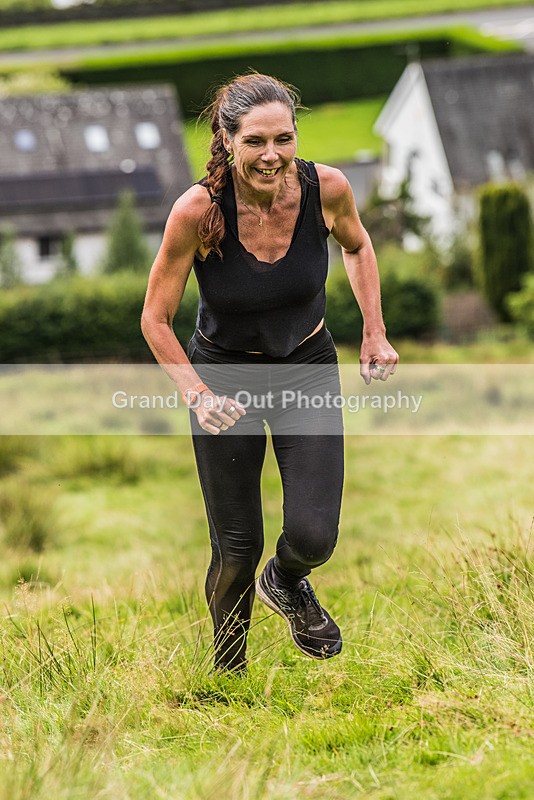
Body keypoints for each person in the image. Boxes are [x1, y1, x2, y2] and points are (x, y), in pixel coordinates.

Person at [141, 73, 398, 673]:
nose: (273, 155)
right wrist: (198, 395)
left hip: (306, 369)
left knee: (314, 536)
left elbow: (357, 247)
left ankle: (286, 581)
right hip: (224, 380)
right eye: (256, 141)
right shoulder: (198, 211)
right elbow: (155, 319)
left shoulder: (326, 189)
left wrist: (374, 330)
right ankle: (229, 676)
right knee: (236, 547)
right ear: (227, 140)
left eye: (284, 138)